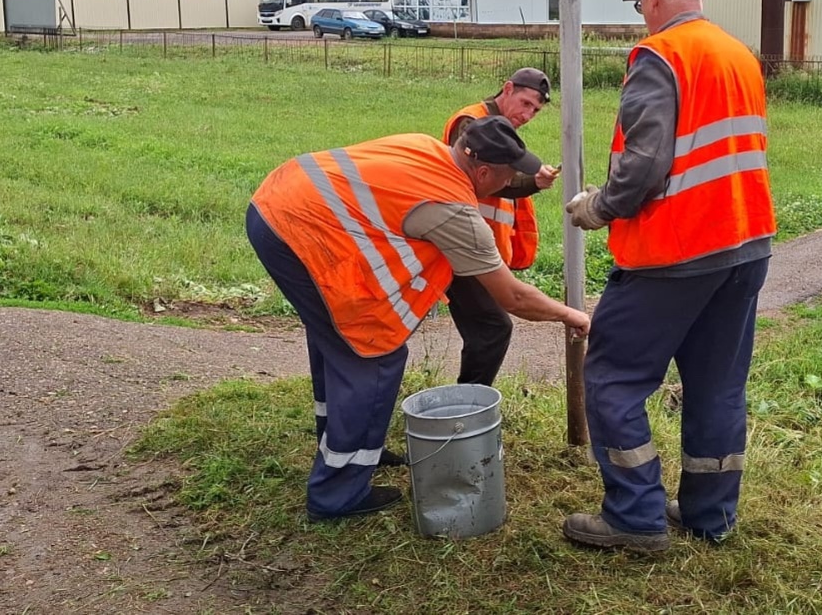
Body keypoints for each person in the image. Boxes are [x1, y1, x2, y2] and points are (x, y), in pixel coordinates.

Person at [245, 116, 590, 522]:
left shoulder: (425, 147)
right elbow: (512, 296)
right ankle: (337, 494)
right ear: (481, 171)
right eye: (508, 177)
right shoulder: (453, 211)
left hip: (276, 201)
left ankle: (345, 447)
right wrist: (572, 315)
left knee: (337, 340)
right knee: (371, 353)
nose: (511, 184)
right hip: (299, 233)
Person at [560, 0, 775, 552]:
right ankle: (710, 515)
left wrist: (599, 206)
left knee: (611, 379)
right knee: (717, 386)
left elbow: (647, 163)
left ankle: (635, 517)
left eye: (640, 6)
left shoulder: (660, 55)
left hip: (675, 252)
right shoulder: (738, 55)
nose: (641, 16)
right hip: (745, 241)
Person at [441, 67, 559, 385]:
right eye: (525, 103)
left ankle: (468, 405)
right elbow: (488, 178)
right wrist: (531, 181)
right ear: (507, 89)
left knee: (488, 330)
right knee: (493, 329)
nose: (529, 114)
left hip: (474, 248)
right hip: (461, 247)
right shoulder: (472, 123)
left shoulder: (497, 125)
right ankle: (469, 406)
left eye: (535, 110)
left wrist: (532, 180)